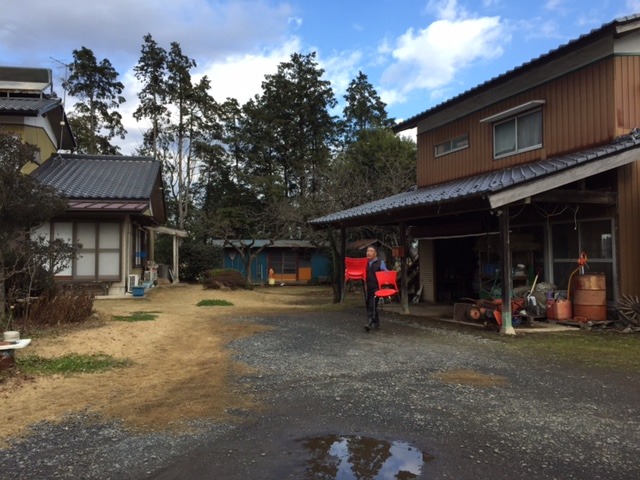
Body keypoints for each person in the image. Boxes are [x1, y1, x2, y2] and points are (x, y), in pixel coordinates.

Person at [364, 245, 387, 332]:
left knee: (372, 304)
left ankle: (369, 322)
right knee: (369, 305)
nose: (368, 253)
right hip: (368, 287)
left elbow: (385, 272)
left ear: (375, 253)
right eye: (367, 251)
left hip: (377, 287)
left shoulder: (380, 262)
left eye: (371, 251)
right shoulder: (365, 262)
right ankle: (376, 323)